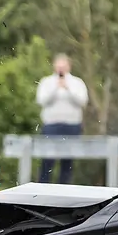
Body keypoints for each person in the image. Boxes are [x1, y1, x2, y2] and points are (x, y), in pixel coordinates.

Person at [35, 54, 89, 184]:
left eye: (63, 66)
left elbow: (83, 101)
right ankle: (43, 189)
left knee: (68, 162)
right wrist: (55, 88)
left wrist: (68, 88)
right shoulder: (46, 82)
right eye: (58, 66)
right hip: (51, 126)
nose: (61, 69)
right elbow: (41, 100)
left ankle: (65, 189)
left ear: (68, 66)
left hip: (72, 126)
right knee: (47, 160)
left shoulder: (77, 82)